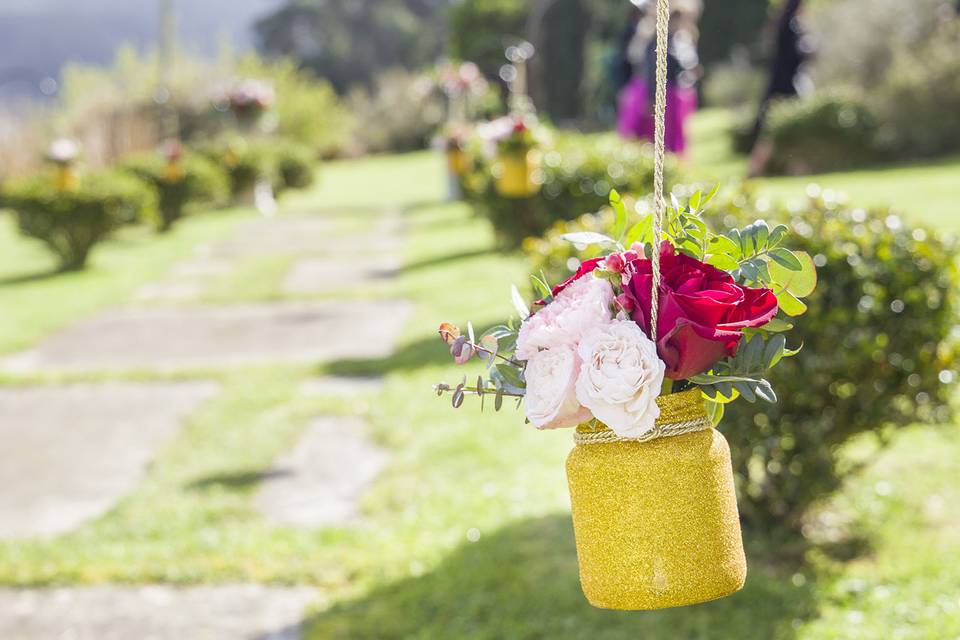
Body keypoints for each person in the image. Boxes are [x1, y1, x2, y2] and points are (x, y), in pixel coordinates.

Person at [619, 0, 702, 156]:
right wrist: (651, 98)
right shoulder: (656, 36)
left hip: (673, 91)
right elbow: (644, 61)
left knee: (672, 134)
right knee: (647, 132)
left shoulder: (682, 36)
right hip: (657, 89)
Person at [747, 0, 811, 176]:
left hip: (783, 85)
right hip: (784, 87)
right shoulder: (790, 27)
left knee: (789, 131)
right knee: (773, 132)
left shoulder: (784, 25)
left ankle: (796, 169)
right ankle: (755, 170)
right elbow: (797, 56)